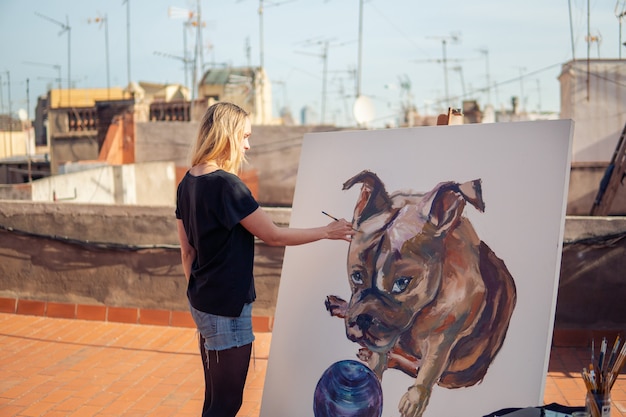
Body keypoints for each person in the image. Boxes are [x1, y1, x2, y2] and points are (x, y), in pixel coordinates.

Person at [175, 101, 354, 417]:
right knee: (227, 404)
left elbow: (187, 252)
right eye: (244, 136)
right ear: (226, 136)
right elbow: (273, 235)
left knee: (214, 400)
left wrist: (198, 293)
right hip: (226, 308)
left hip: (203, 302)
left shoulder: (187, 182)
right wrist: (328, 231)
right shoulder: (227, 185)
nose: (247, 145)